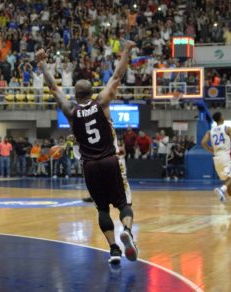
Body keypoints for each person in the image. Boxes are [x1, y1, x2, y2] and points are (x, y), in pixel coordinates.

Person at [36, 41, 138, 265]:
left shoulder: (71, 111)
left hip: (90, 166)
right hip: (111, 161)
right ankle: (127, 232)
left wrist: (43, 63)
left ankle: (113, 250)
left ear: (75, 93)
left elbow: (53, 88)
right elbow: (117, 77)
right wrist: (126, 52)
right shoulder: (102, 103)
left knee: (102, 208)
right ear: (92, 91)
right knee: (124, 204)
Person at [201, 112, 231, 209]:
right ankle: (221, 190)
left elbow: (203, 142)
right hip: (227, 156)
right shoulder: (227, 128)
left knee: (228, 181)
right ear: (221, 118)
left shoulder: (210, 131)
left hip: (216, 158)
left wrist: (211, 150)